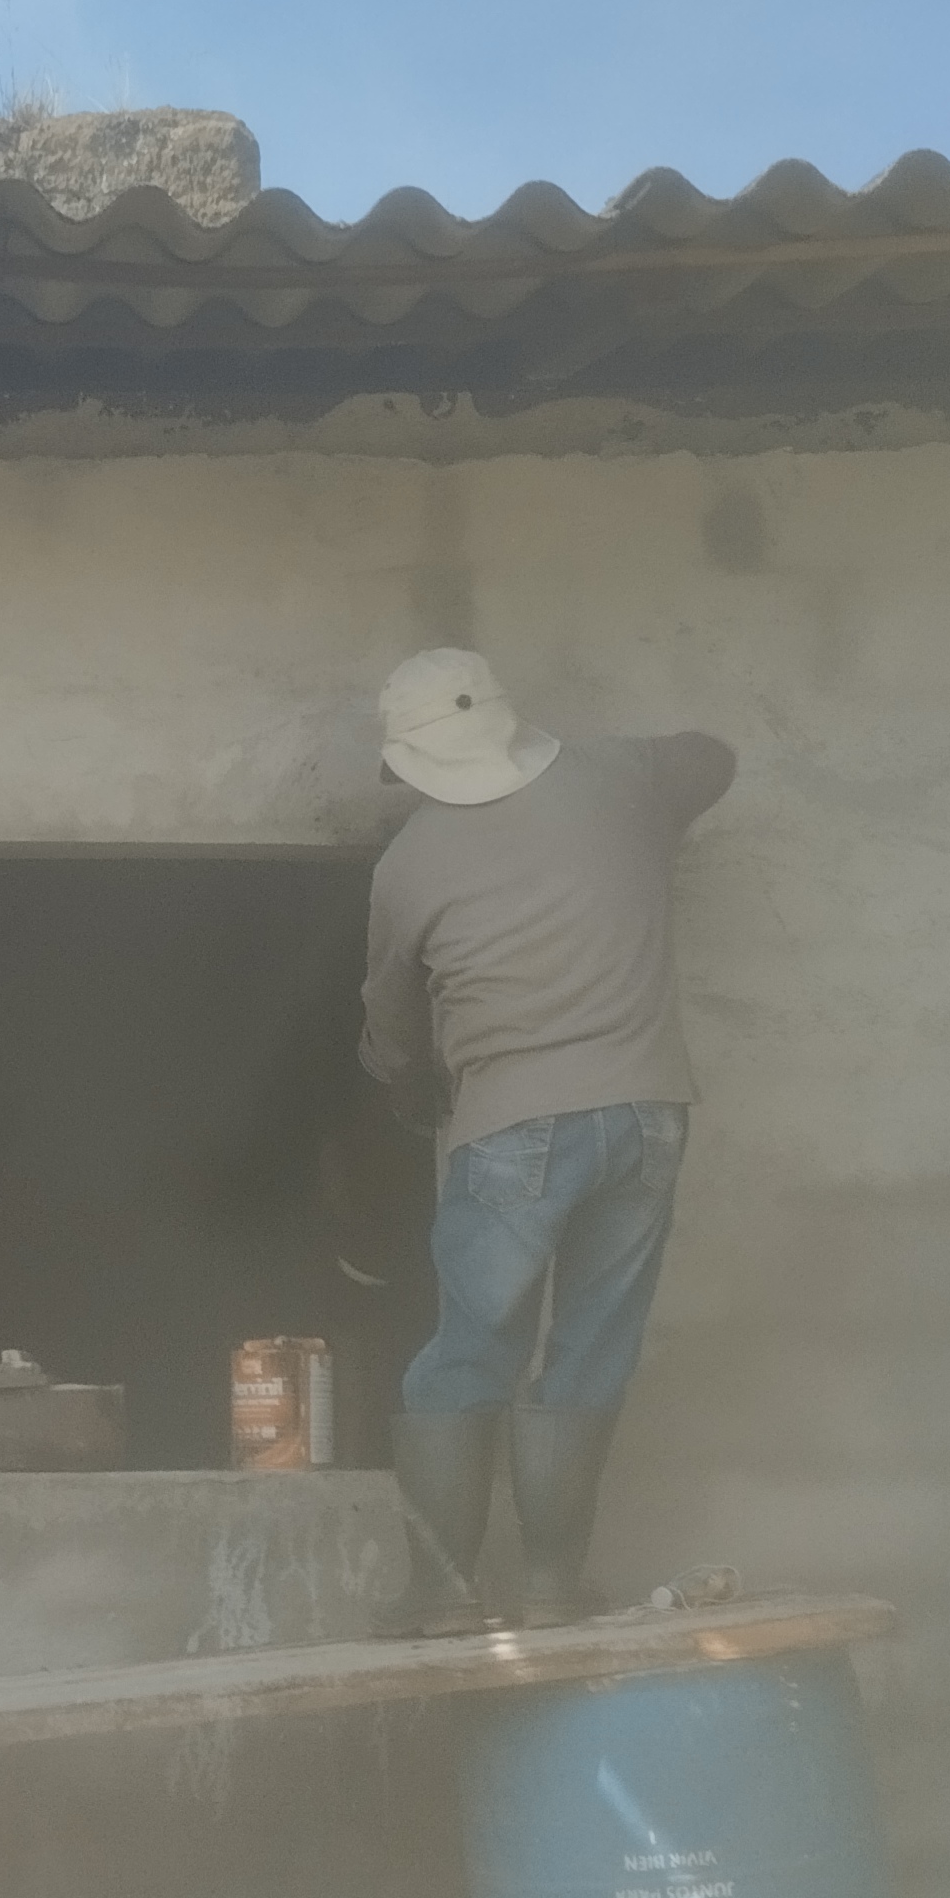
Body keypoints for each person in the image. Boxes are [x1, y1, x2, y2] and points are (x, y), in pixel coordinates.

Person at [359, 647, 735, 1628]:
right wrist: (614, 790)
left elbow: (391, 1024)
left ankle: (445, 1593)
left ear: (411, 763)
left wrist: (407, 1080)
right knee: (592, 1347)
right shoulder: (622, 778)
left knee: (471, 1349)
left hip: (512, 1129)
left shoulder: (408, 865)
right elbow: (715, 756)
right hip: (648, 1115)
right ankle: (550, 1588)